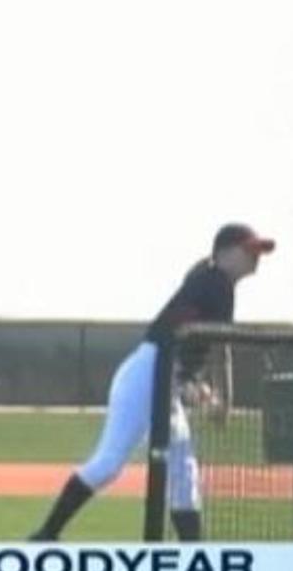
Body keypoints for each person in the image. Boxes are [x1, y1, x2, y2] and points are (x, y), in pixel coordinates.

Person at [28, 223, 275, 541]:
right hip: (146, 376)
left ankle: (193, 552)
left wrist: (199, 389)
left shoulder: (213, 281)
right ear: (226, 253)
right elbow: (216, 346)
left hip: (161, 379)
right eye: (250, 250)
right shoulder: (216, 282)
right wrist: (223, 398)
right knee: (109, 463)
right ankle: (45, 535)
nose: (256, 258)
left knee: (183, 472)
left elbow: (194, 349)